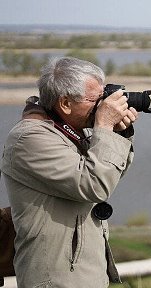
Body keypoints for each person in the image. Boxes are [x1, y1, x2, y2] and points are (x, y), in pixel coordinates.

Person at [1, 57, 138, 288]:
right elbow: (95, 185)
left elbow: (109, 176)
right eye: (96, 100)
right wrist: (104, 127)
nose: (102, 106)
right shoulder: (30, 138)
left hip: (83, 274)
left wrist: (118, 134)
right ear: (65, 103)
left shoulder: (69, 132)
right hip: (56, 279)